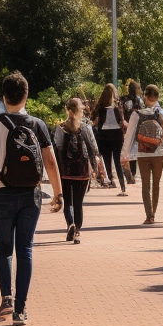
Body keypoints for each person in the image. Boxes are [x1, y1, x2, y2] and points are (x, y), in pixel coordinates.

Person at [0, 72, 61, 326]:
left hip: (0, 194)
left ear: (4, 96)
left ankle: (6, 299)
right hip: (30, 195)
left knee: (4, 249)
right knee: (25, 249)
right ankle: (21, 310)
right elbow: (50, 161)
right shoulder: (37, 124)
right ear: (26, 95)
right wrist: (58, 193)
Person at [120, 84, 163, 224]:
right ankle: (154, 211)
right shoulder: (161, 113)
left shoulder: (136, 114)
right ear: (157, 96)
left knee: (146, 185)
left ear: (145, 96)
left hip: (142, 153)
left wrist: (125, 154)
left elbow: (129, 135)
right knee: (156, 184)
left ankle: (149, 215)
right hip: (158, 152)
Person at [53, 97, 103, 244]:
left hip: (65, 170)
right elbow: (94, 149)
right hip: (82, 170)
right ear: (80, 110)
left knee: (68, 201)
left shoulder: (60, 128)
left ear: (67, 110)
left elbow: (57, 147)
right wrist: (95, 167)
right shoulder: (86, 128)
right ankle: (77, 231)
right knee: (78, 203)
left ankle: (70, 224)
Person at [92, 83, 129, 196]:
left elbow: (95, 121)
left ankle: (111, 180)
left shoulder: (99, 107)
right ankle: (122, 185)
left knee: (107, 159)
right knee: (117, 160)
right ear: (113, 94)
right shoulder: (118, 107)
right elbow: (122, 121)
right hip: (116, 135)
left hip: (104, 135)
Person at [120, 80, 145, 184]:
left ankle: (128, 171)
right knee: (133, 150)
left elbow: (121, 111)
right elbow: (142, 113)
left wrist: (123, 121)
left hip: (126, 127)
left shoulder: (123, 99)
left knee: (126, 148)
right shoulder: (139, 100)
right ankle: (133, 173)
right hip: (135, 127)